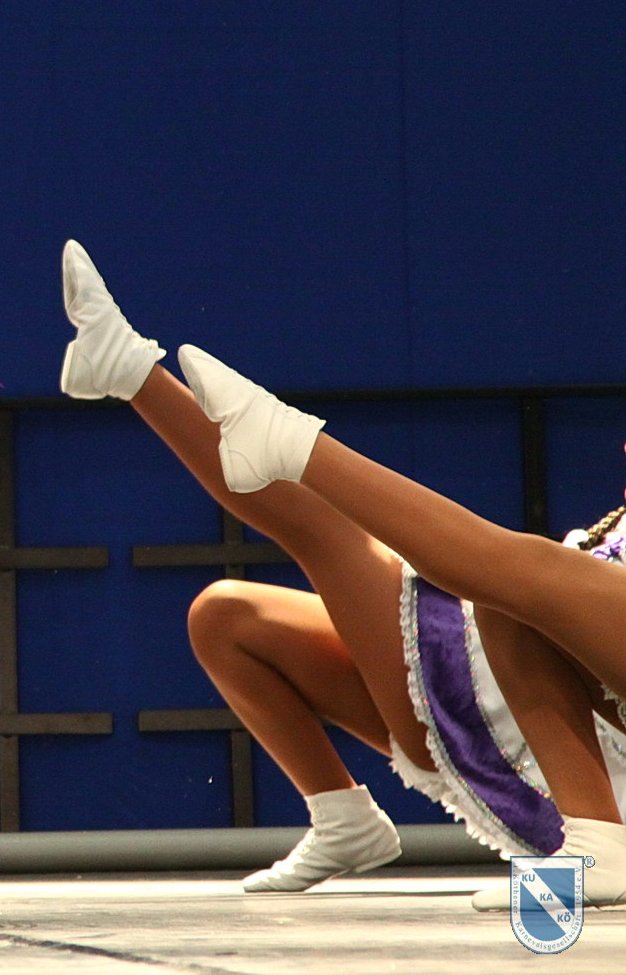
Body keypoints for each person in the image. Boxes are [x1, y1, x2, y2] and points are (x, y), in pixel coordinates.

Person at [57, 240, 626, 904]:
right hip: (511, 671)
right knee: (230, 615)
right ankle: (343, 819)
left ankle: (600, 841)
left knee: (388, 549)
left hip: (524, 707)